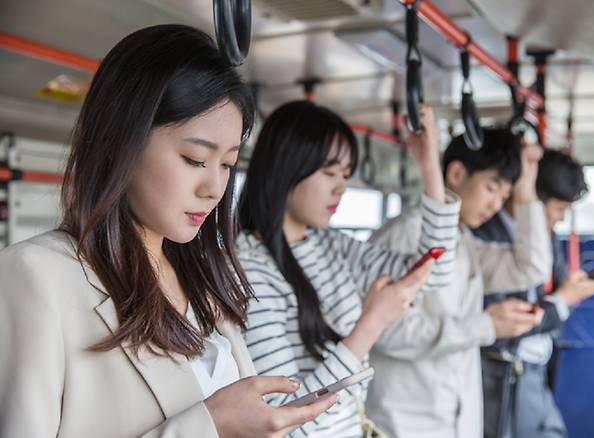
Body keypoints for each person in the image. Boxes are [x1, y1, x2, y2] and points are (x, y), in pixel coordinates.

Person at [0, 25, 336, 438]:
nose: (214, 189)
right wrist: (210, 426)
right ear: (121, 143)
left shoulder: (205, 281)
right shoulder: (35, 277)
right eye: (195, 159)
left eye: (228, 165)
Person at [237, 102, 461, 436]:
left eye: (345, 174)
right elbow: (285, 425)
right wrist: (371, 324)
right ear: (285, 166)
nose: (341, 187)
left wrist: (429, 167)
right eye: (329, 173)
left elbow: (434, 271)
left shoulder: (330, 244)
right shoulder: (248, 268)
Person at [365, 128, 549, 438]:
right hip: (405, 423)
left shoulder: (464, 243)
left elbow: (530, 267)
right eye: (492, 188)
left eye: (505, 196)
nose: (496, 205)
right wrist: (485, 326)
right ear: (456, 173)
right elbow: (384, 331)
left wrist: (526, 189)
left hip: (454, 422)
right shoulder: (407, 235)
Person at [474, 148, 594, 438]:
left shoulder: (547, 236)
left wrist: (570, 294)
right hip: (499, 374)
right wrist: (561, 303)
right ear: (533, 199)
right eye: (559, 208)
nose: (561, 219)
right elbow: (499, 323)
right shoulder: (483, 234)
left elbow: (560, 290)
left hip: (537, 371)